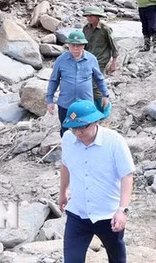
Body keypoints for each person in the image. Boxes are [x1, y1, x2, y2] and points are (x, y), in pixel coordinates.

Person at [59, 99, 134, 263]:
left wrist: (122, 210)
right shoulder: (67, 139)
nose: (78, 133)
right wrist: (63, 192)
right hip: (78, 213)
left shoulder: (114, 141)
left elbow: (126, 175)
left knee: (117, 259)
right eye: (73, 128)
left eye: (82, 127)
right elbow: (65, 165)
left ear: (96, 121)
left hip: (108, 215)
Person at [46, 31, 110, 137]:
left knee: (87, 130)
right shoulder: (61, 60)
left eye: (79, 45)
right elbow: (54, 80)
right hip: (66, 104)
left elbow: (99, 78)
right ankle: (68, 151)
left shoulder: (91, 59)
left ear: (84, 45)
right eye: (73, 45)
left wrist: (105, 95)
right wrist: (49, 100)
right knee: (66, 131)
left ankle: (86, 150)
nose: (75, 48)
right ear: (68, 45)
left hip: (86, 105)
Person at [83, 6, 118, 108]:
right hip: (88, 58)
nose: (89, 18)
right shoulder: (86, 29)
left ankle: (101, 107)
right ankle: (93, 104)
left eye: (91, 16)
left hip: (101, 59)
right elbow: (83, 45)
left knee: (96, 84)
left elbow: (114, 46)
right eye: (87, 16)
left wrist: (114, 62)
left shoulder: (105, 29)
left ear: (97, 17)